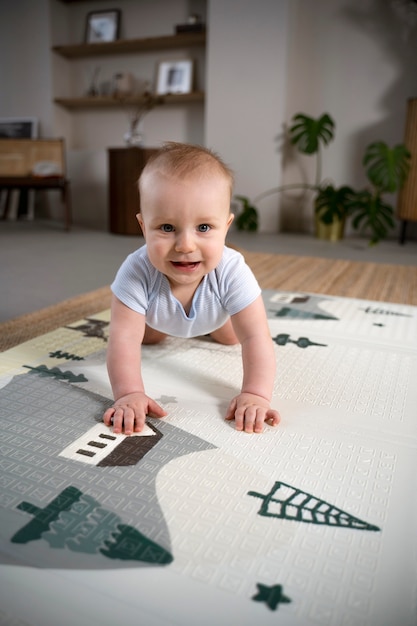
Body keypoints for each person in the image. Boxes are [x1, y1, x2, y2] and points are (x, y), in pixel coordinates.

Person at [103, 142, 280, 435]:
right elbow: (121, 340)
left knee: (232, 337)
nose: (185, 245)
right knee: (144, 337)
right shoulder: (135, 271)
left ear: (226, 226)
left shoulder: (233, 270)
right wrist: (128, 394)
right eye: (168, 228)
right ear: (144, 227)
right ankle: (163, 327)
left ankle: (215, 327)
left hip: (217, 316)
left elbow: (257, 337)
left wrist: (256, 394)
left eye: (204, 228)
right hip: (157, 316)